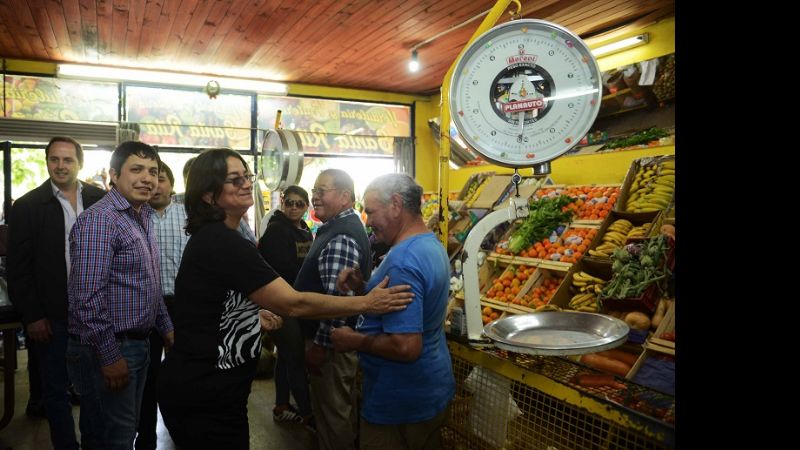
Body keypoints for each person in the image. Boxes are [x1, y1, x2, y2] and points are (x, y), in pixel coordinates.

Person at [156, 148, 413, 450]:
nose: (244, 184)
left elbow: (214, 306)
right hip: (203, 393)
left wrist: (253, 319)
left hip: (214, 390)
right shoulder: (222, 242)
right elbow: (293, 303)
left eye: (246, 177)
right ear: (209, 195)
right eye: (233, 179)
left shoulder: (224, 238)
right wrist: (366, 303)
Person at [331, 173, 455, 450]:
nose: (368, 220)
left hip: (400, 402)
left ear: (396, 205)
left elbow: (406, 347)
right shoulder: (429, 245)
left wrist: (354, 340)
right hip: (429, 388)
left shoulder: (403, 261)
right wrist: (364, 288)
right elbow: (405, 310)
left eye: (371, 211)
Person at [66, 141, 175, 449]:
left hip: (137, 344)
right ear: (114, 175)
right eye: (136, 170)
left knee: (123, 434)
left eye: (152, 171)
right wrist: (109, 356)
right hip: (110, 347)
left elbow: (149, 284)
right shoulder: (101, 220)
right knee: (110, 439)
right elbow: (85, 297)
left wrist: (167, 328)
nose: (147, 179)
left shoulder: (140, 216)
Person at [7, 136, 107, 449]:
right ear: (47, 162)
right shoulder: (27, 206)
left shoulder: (101, 200)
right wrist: (33, 316)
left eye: (67, 160)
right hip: (52, 316)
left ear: (79, 163)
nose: (60, 165)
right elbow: (19, 269)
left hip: (95, 314)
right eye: (54, 159)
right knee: (55, 391)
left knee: (95, 390)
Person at [294, 168, 373, 450]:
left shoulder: (341, 236)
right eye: (314, 191)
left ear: (344, 197)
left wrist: (320, 345)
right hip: (330, 343)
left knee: (332, 415)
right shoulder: (335, 228)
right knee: (338, 410)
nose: (314, 197)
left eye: (321, 190)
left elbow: (337, 303)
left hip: (330, 347)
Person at [135, 161, 189, 450]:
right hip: (147, 305)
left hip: (183, 305)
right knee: (149, 374)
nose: (156, 184)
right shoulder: (134, 217)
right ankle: (146, 438)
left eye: (162, 178)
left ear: (171, 185)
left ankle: (184, 433)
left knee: (184, 372)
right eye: (152, 178)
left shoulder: (187, 215)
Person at [257, 185, 314, 429]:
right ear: (282, 203)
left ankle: (281, 405)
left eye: (299, 203)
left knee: (287, 355)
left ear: (305, 206)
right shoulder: (276, 231)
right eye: (289, 202)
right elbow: (280, 272)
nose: (293, 207)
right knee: (296, 358)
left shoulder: (305, 231)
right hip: (282, 304)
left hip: (299, 302)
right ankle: (308, 413)